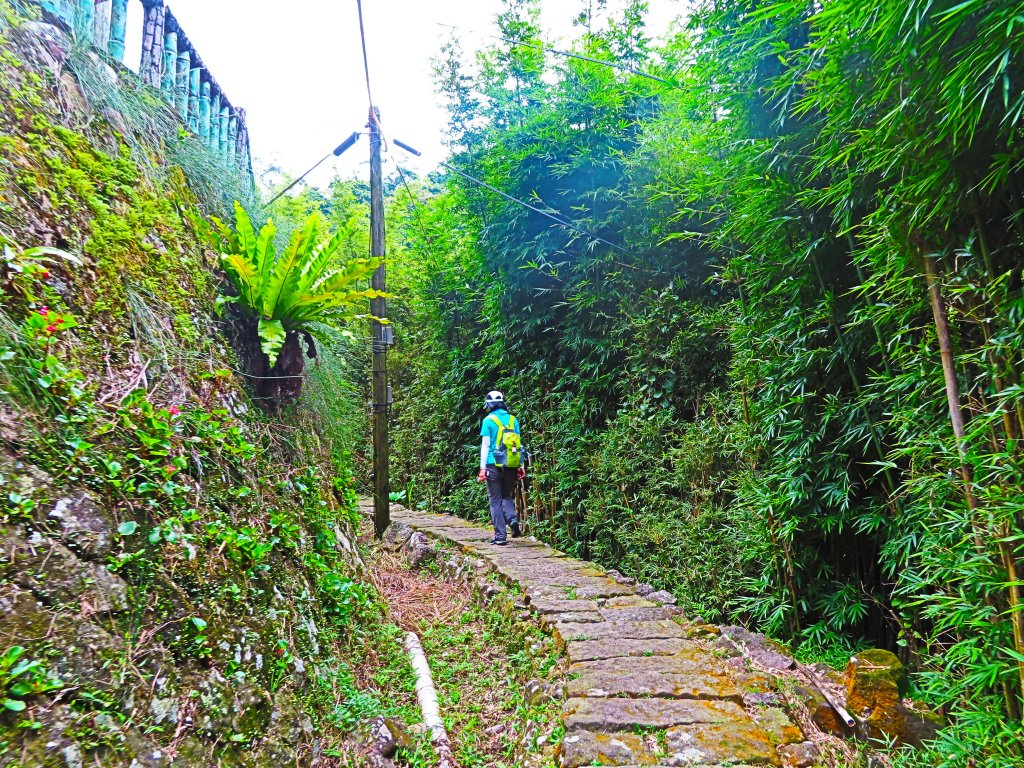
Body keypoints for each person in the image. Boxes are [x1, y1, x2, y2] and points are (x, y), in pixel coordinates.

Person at [477, 390, 524, 545]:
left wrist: (482, 468)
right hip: (511, 464)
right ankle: (512, 519)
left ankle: (500, 537)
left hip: (493, 465)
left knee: (495, 500)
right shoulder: (513, 419)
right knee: (506, 495)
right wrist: (521, 465)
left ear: (489, 404)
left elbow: (485, 446)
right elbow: (518, 444)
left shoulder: (488, 420)